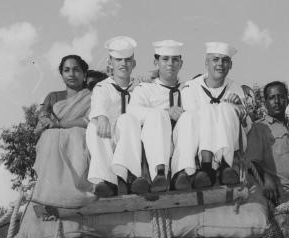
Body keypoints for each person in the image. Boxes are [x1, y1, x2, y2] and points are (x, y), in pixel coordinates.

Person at [175, 42, 249, 188]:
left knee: (226, 108)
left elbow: (245, 124)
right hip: (197, 142)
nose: (220, 64)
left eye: (225, 60)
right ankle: (206, 167)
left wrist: (240, 109)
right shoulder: (191, 87)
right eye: (215, 59)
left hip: (231, 144)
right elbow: (194, 120)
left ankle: (225, 165)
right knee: (205, 111)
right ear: (206, 63)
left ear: (230, 65)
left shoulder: (235, 88)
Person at [126, 40, 190, 191]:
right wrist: (166, 113)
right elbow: (132, 112)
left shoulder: (188, 88)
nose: (170, 64)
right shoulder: (145, 89)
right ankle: (159, 174)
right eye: (165, 59)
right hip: (153, 147)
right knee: (156, 115)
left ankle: (182, 172)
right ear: (156, 62)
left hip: (182, 147)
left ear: (181, 63)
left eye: (175, 60)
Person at [32, 54, 95, 207]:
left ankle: (76, 189)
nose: (71, 74)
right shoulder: (53, 97)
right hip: (52, 137)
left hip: (81, 137)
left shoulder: (93, 96)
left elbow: (90, 121)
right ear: (61, 74)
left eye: (76, 70)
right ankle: (50, 191)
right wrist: (46, 121)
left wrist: (60, 125)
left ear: (84, 74)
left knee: (75, 135)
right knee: (50, 137)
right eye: (66, 70)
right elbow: (43, 116)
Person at [86, 36, 139, 197]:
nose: (123, 64)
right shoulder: (103, 87)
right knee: (94, 126)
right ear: (110, 63)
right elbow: (98, 104)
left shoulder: (140, 87)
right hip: (110, 137)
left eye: (128, 60)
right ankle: (108, 181)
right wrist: (101, 117)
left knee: (128, 120)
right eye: (118, 60)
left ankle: (130, 176)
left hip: (134, 137)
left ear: (133, 63)